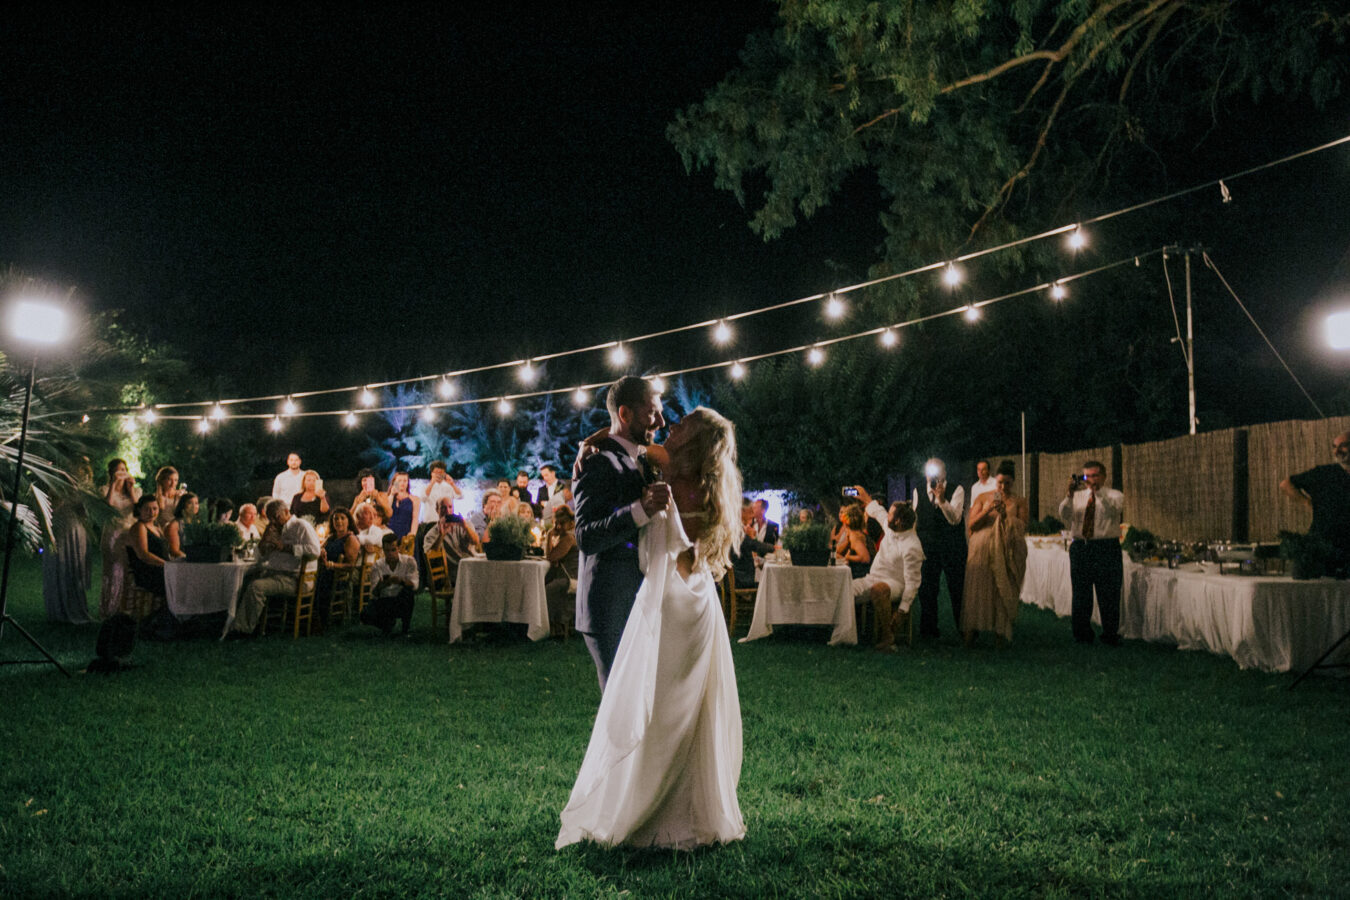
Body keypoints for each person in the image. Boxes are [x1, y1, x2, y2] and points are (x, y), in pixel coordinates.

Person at [557, 406, 745, 850]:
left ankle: (661, 812)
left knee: (666, 707)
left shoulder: (682, 479)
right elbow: (622, 434)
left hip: (674, 602)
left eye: (683, 427)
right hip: (691, 600)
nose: (671, 427)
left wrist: (594, 443)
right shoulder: (686, 471)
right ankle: (678, 807)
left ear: (693, 444)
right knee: (673, 707)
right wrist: (591, 443)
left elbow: (626, 434)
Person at [573, 375, 671, 691]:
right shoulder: (598, 462)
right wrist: (640, 510)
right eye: (651, 412)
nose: (661, 420)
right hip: (610, 605)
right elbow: (586, 536)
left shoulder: (641, 459)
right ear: (626, 414)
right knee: (619, 712)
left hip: (641, 601)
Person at [960, 461, 1029, 647]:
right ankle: (971, 631)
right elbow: (972, 524)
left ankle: (1000, 633)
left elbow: (1022, 527)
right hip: (982, 549)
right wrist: (989, 510)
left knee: (1001, 589)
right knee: (979, 589)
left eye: (1007, 483)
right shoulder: (983, 497)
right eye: (1000, 483)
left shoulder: (1019, 501)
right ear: (995, 482)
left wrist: (1005, 517)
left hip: (1006, 550)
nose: (1003, 487)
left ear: (1013, 482)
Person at [1058, 460, 1125, 645]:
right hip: (1082, 546)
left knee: (1109, 592)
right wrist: (1069, 494)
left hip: (1105, 547)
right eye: (1087, 476)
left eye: (1095, 475)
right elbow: (1064, 514)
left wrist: (1098, 494)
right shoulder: (1078, 496)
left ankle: (1110, 633)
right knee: (1081, 592)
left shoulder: (1114, 495)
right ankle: (1082, 634)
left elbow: (1114, 510)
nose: (1091, 480)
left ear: (1103, 476)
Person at [850, 486, 925, 652]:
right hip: (872, 577)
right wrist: (865, 496)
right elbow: (878, 511)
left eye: (891, 514)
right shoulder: (891, 528)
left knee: (879, 589)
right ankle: (845, 633)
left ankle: (887, 637)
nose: (887, 516)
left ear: (898, 521)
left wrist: (902, 611)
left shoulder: (912, 546)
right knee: (844, 590)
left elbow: (912, 583)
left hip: (896, 583)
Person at [233, 499, 321, 635]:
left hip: (295, 578)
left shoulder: (300, 526)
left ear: (286, 512)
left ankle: (242, 629)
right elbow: (259, 558)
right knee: (243, 580)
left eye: (276, 517)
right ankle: (235, 622)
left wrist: (286, 548)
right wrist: (263, 544)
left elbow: (315, 551)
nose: (273, 521)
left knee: (256, 587)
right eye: (270, 518)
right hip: (275, 574)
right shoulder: (274, 530)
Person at [1279, 430, 1350, 575]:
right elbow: (1286, 484)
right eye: (1334, 447)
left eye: (1343, 446)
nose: (1337, 451)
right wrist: (1306, 502)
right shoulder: (1323, 474)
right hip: (1324, 543)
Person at [912, 457, 967, 639]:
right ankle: (928, 630)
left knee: (957, 588)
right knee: (927, 589)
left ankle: (964, 629)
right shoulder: (918, 491)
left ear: (945, 473)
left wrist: (942, 500)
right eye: (930, 471)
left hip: (952, 547)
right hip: (927, 548)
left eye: (938, 471)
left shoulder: (957, 490)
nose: (934, 475)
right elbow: (915, 520)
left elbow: (955, 519)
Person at [43, 459, 94, 624]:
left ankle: (77, 607)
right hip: (61, 529)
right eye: (81, 468)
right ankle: (60, 608)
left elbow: (86, 512)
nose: (83, 471)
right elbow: (51, 507)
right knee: (62, 565)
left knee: (75, 567)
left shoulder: (85, 487)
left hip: (77, 529)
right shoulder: (57, 485)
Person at [98, 458, 141, 618]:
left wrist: (130, 489)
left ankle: (127, 608)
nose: (122, 473)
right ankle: (111, 608)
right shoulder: (105, 489)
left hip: (130, 534)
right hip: (113, 534)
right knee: (114, 570)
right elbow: (107, 505)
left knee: (129, 571)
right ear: (111, 473)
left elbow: (138, 510)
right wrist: (114, 484)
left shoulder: (136, 491)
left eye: (124, 469)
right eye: (118, 470)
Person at [361, 532, 419, 635]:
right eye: (387, 551)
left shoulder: (409, 562)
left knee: (408, 593)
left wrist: (400, 581)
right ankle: (386, 623)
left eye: (393, 550)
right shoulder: (377, 566)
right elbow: (374, 593)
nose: (390, 554)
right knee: (364, 615)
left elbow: (414, 585)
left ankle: (405, 628)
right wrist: (382, 584)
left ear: (399, 548)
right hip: (385, 600)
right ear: (383, 551)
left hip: (401, 599)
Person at [423, 496, 481, 586]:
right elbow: (431, 557)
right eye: (443, 508)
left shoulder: (465, 524)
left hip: (471, 565)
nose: (447, 511)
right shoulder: (431, 534)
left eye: (450, 507)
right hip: (451, 573)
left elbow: (476, 542)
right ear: (437, 510)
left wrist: (465, 527)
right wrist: (441, 535)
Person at [318, 506, 361, 627]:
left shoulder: (350, 539)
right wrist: (321, 552)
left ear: (349, 521)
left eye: (342, 518)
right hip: (325, 570)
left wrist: (331, 565)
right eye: (336, 519)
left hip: (339, 575)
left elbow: (351, 565)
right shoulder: (331, 537)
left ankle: (322, 619)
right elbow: (320, 548)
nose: (339, 521)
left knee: (321, 579)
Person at [543, 506, 579, 631]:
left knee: (546, 590)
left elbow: (551, 557)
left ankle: (552, 624)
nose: (558, 527)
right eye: (556, 523)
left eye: (562, 524)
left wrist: (549, 535)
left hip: (571, 578)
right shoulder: (566, 536)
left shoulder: (569, 538)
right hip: (564, 575)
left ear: (571, 523)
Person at [127, 496, 169, 598]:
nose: (151, 512)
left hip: (161, 568)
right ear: (139, 510)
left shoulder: (157, 527)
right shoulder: (139, 527)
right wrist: (167, 565)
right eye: (147, 509)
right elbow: (143, 554)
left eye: (155, 509)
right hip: (148, 572)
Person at [730, 501, 775, 589]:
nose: (753, 515)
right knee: (769, 586)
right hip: (741, 579)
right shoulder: (738, 531)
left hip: (738, 577)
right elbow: (756, 546)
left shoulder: (735, 528)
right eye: (751, 511)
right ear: (742, 512)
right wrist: (774, 548)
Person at [834, 503, 873, 578]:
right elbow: (838, 551)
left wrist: (848, 557)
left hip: (860, 576)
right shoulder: (853, 534)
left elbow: (865, 558)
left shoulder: (855, 537)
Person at [164, 492, 200, 559]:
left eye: (196, 503)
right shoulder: (175, 525)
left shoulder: (199, 523)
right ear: (183, 505)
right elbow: (174, 550)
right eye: (190, 503)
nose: (194, 506)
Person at [386, 471, 419, 540]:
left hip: (406, 533)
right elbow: (386, 512)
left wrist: (412, 535)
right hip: (390, 532)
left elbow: (415, 519)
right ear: (394, 483)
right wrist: (392, 494)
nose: (402, 483)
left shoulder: (414, 499)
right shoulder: (388, 497)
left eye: (405, 481)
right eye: (399, 481)